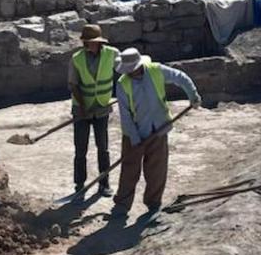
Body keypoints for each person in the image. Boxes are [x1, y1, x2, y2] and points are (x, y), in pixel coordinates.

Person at [112, 48, 200, 218]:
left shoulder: (156, 70)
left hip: (158, 129)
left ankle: (153, 203)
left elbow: (180, 77)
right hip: (133, 133)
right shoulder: (123, 84)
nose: (129, 73)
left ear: (139, 66)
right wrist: (136, 140)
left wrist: (193, 96)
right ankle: (122, 205)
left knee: (156, 169)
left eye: (132, 70)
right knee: (130, 169)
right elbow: (126, 116)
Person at [68, 24, 118, 199]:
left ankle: (104, 184)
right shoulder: (77, 58)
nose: (93, 45)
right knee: (80, 149)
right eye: (90, 42)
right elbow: (73, 84)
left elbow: (124, 71)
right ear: (85, 43)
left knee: (102, 148)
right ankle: (79, 185)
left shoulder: (112, 54)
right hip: (81, 110)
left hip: (102, 108)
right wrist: (82, 108)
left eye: (96, 42)